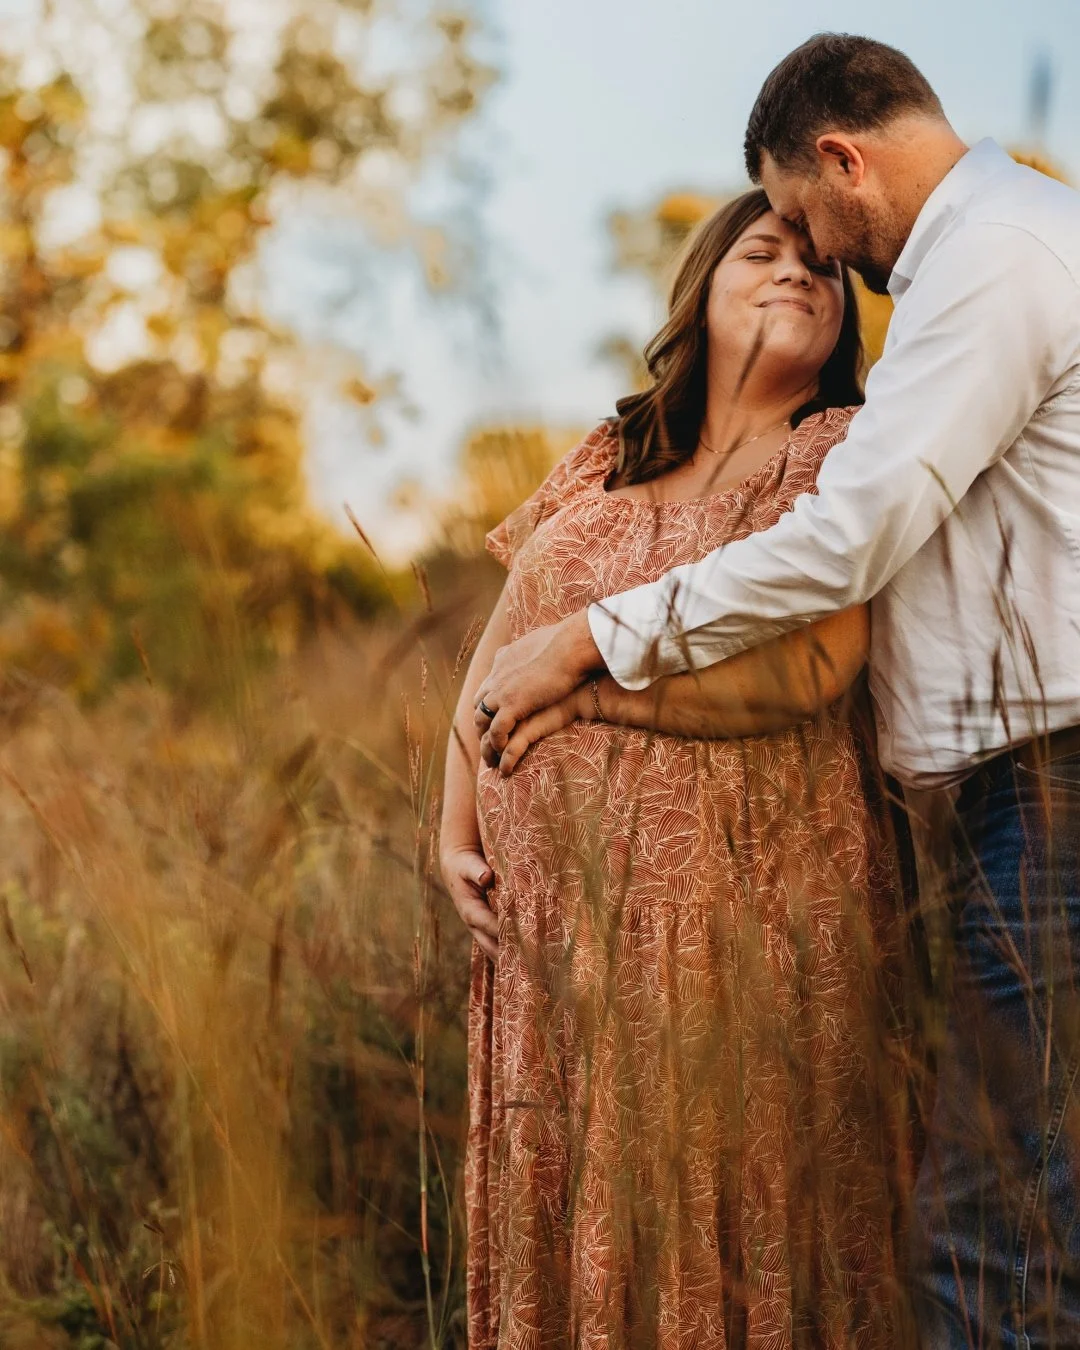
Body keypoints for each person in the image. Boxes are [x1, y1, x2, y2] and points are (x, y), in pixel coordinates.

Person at [472, 33, 1080, 1350]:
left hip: (1047, 793)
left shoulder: (993, 263)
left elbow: (844, 552)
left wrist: (590, 657)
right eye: (765, 244)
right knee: (1011, 1211)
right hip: (1011, 807)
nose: (815, 255)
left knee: (994, 1237)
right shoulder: (997, 254)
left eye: (802, 218)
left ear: (841, 159)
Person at [442, 188, 911, 1349]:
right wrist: (453, 827)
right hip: (556, 943)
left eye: (820, 264)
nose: (797, 270)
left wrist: (588, 688)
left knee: (740, 1191)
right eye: (763, 250)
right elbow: (497, 648)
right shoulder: (603, 458)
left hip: (744, 923)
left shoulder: (840, 451)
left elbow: (818, 667)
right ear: (700, 289)